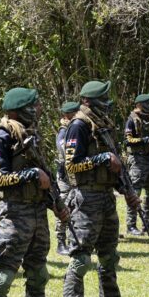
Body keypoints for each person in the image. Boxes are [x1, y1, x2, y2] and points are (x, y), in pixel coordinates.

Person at [0, 88, 73, 297]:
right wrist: (31, 175)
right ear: (21, 109)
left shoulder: (29, 137)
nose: (39, 109)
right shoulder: (1, 137)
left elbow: (46, 177)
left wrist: (57, 203)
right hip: (15, 217)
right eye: (34, 105)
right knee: (3, 278)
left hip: (37, 216)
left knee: (38, 276)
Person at [62, 80, 146, 297]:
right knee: (81, 259)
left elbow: (115, 164)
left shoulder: (103, 126)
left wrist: (128, 191)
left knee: (109, 257)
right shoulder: (78, 125)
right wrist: (100, 159)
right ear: (88, 101)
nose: (107, 104)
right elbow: (71, 165)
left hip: (106, 198)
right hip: (86, 200)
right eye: (102, 100)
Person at [124, 93, 149, 235]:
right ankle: (131, 225)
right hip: (137, 160)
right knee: (135, 192)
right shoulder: (132, 120)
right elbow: (128, 140)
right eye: (146, 103)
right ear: (139, 105)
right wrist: (145, 140)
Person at [54, 101, 80, 256]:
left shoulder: (73, 129)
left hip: (74, 174)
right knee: (63, 205)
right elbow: (65, 151)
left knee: (75, 205)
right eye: (74, 113)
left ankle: (73, 239)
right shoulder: (63, 131)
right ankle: (61, 241)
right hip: (65, 176)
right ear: (66, 115)